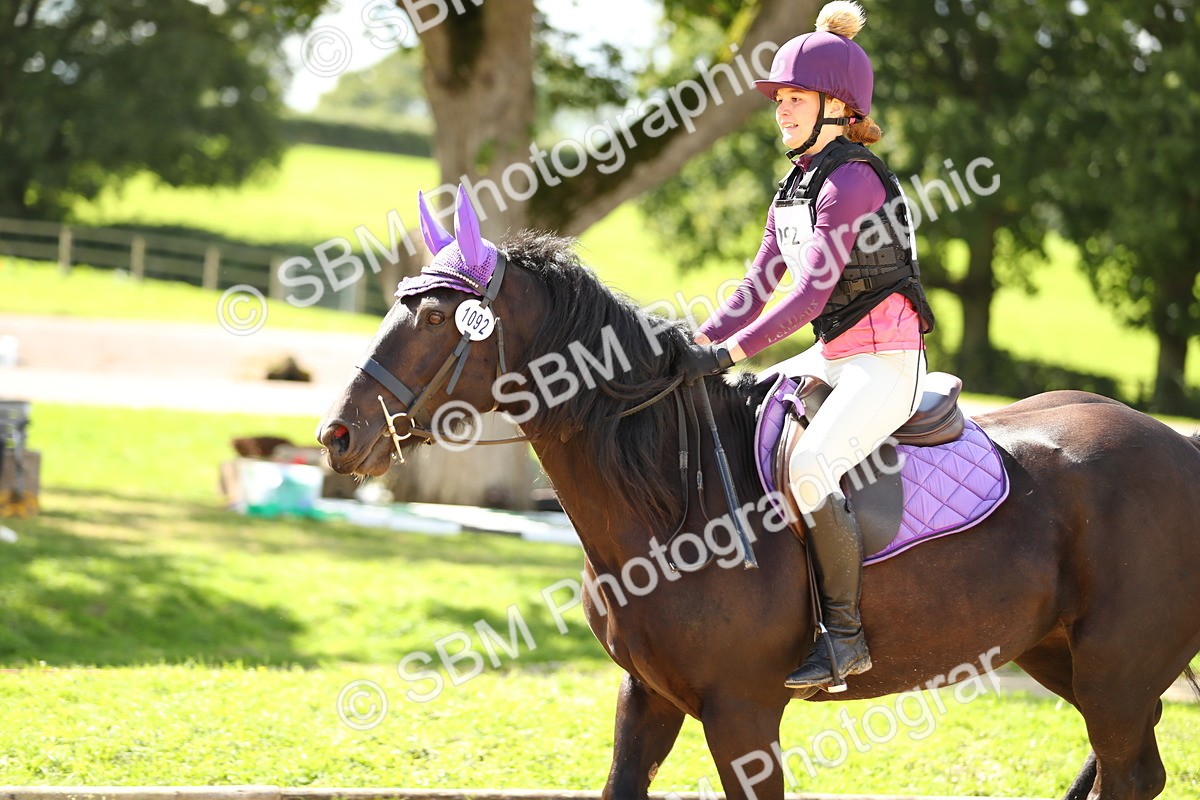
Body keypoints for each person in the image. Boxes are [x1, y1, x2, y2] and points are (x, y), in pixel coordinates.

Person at [678, 0, 935, 692]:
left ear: (838, 106)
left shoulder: (852, 180)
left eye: (795, 97)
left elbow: (809, 297)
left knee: (814, 462)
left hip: (885, 361)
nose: (782, 109)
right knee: (737, 411)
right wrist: (690, 348)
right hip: (834, 355)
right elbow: (754, 290)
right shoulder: (793, 188)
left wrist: (730, 354)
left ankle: (845, 637)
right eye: (779, 98)